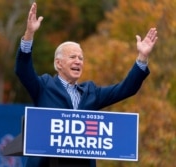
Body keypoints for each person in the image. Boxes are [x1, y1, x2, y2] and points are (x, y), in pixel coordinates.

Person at [14, 2, 158, 167]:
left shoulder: (91, 93)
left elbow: (126, 89)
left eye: (81, 58)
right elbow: (22, 70)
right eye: (73, 57)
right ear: (58, 63)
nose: (78, 61)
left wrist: (142, 58)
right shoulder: (44, 86)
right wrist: (29, 34)